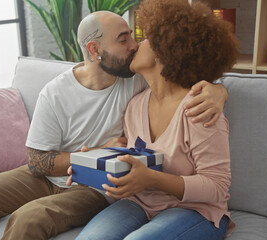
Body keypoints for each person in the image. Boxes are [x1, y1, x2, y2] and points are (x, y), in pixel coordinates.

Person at [0, 9, 229, 240]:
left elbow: (188, 63)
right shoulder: (62, 93)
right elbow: (37, 162)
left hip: (97, 187)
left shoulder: (139, 82)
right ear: (95, 49)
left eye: (135, 36)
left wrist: (219, 91)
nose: (135, 44)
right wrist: (90, 157)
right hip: (67, 175)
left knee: (29, 218)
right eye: (123, 39)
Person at [75, 1, 239, 239]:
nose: (135, 46)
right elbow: (136, 163)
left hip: (195, 211)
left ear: (166, 49)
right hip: (139, 204)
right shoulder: (135, 106)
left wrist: (152, 179)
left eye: (145, 39)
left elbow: (217, 187)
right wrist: (91, 168)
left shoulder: (199, 108)